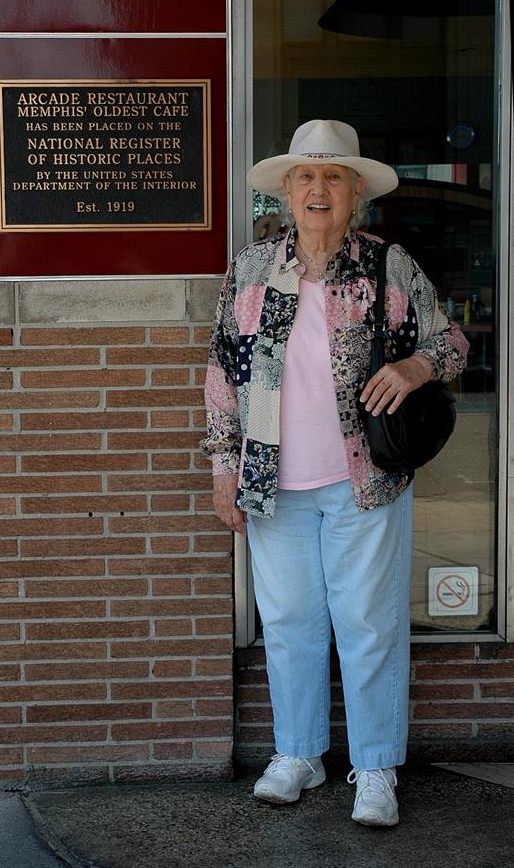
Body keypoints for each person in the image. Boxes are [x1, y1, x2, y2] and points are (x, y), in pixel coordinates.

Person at [201, 120, 468, 826]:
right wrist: (224, 468)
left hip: (364, 481)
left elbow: (450, 342)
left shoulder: (386, 266)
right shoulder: (249, 270)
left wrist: (414, 365)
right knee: (289, 622)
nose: (318, 190)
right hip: (272, 483)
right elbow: (222, 375)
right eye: (305, 177)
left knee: (368, 625)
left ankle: (375, 766)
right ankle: (297, 753)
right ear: (287, 191)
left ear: (355, 193)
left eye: (332, 178)